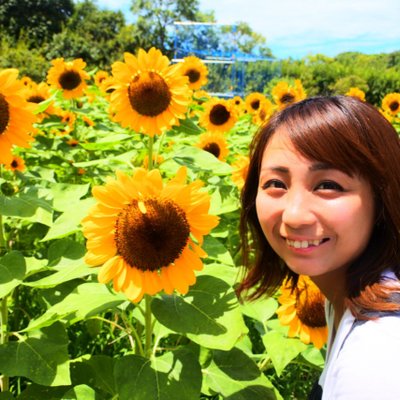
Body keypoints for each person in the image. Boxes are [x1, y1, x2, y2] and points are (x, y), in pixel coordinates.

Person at [237, 95, 400, 399]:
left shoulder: (376, 358)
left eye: (328, 185)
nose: (295, 215)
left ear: (383, 197)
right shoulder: (347, 298)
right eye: (275, 183)